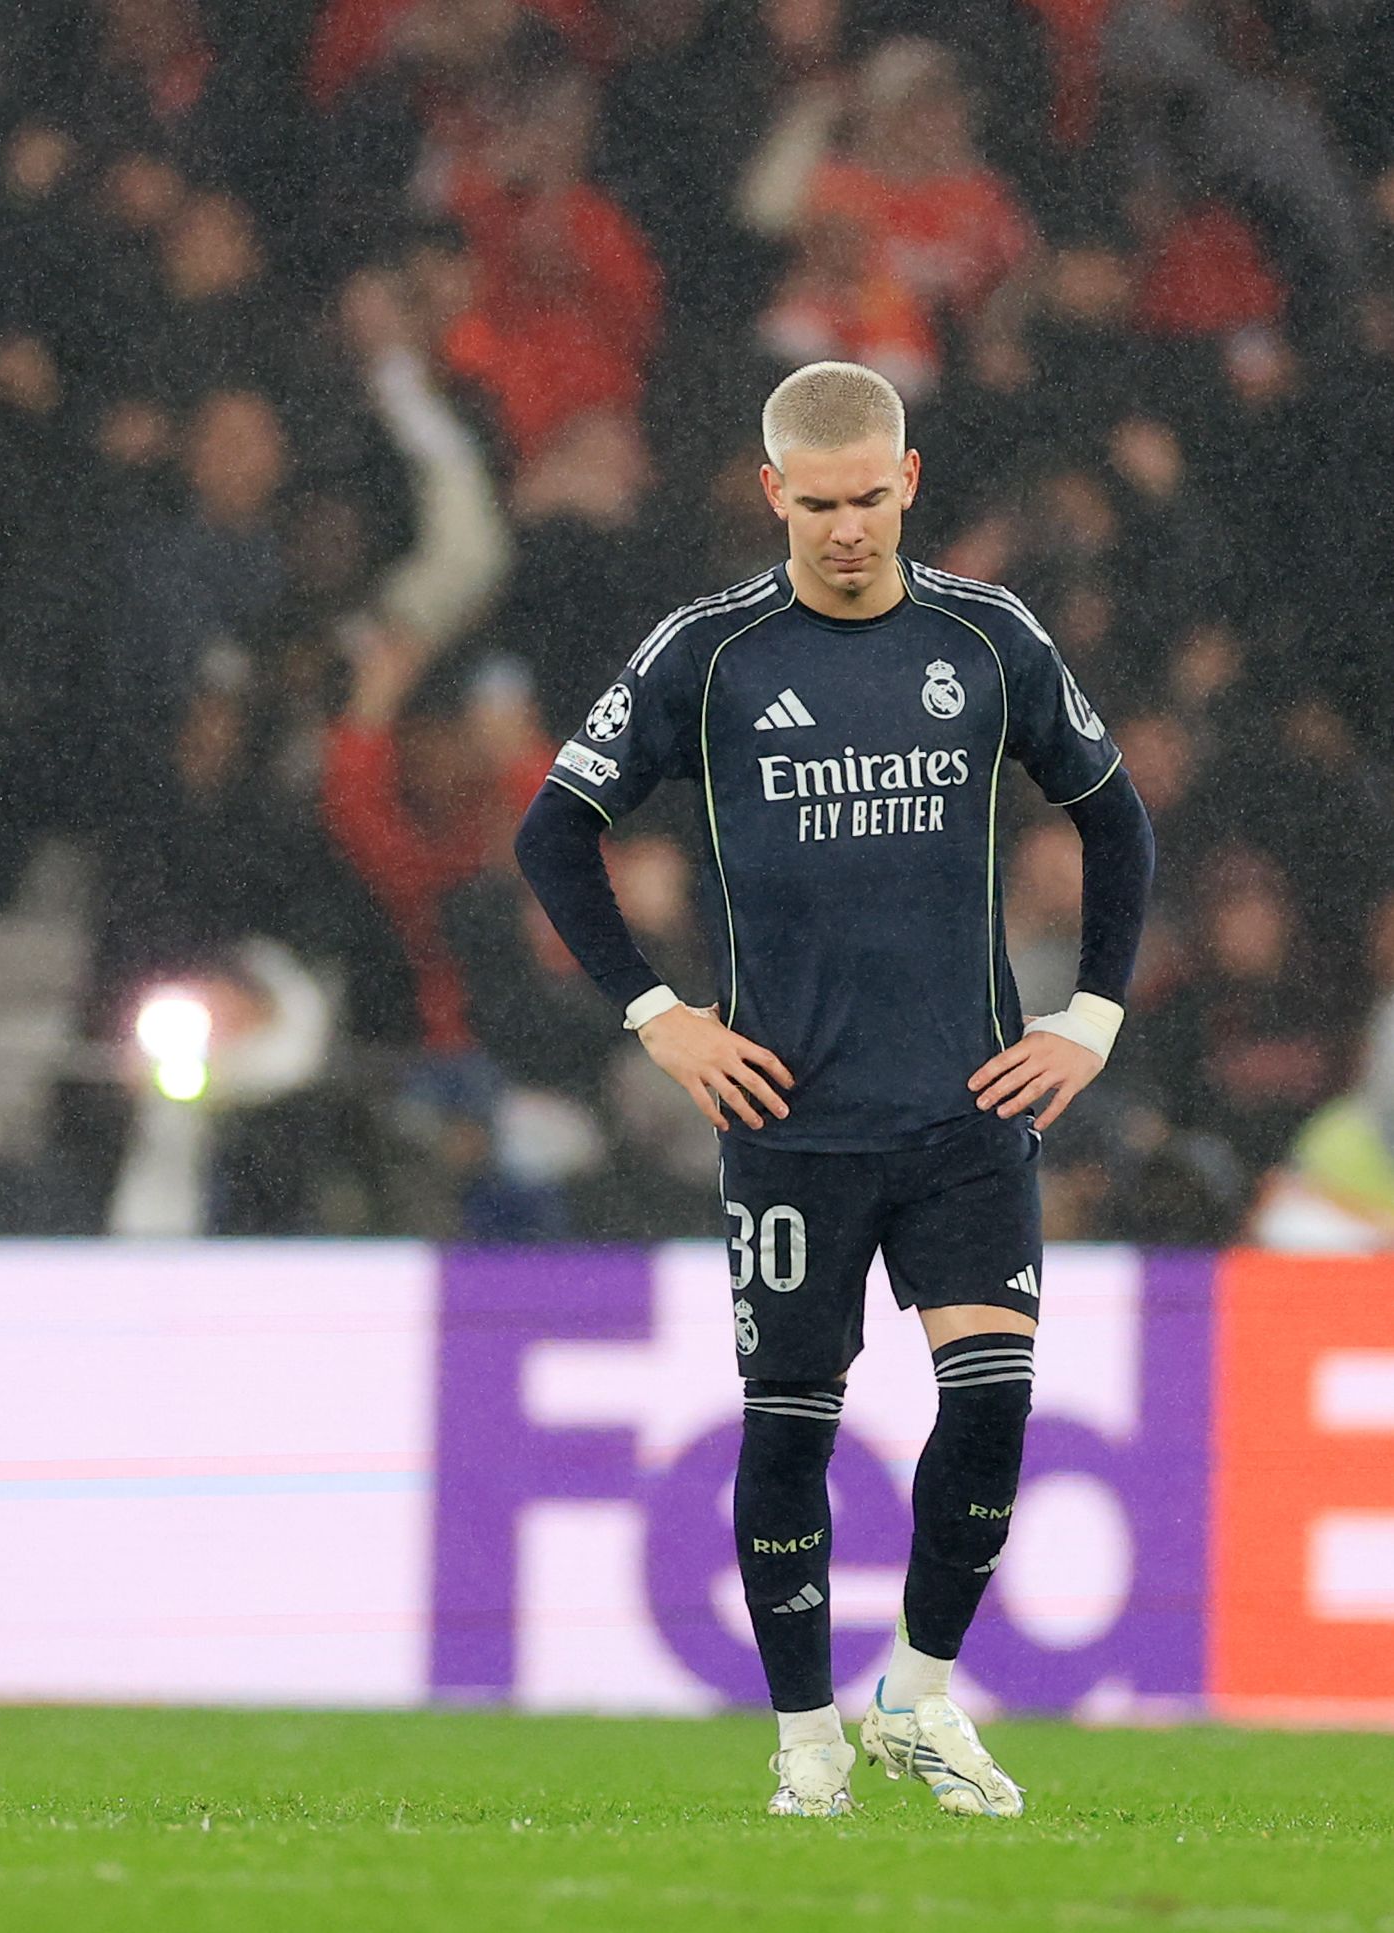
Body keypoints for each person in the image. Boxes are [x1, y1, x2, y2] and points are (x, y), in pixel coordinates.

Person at [511, 361, 1156, 1819]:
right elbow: (553, 833)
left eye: (870, 497)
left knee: (990, 1410)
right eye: (818, 504)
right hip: (787, 1124)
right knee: (788, 1428)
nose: (847, 527)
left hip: (965, 1113)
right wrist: (658, 1014)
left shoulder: (983, 640)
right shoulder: (709, 651)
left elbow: (1113, 818)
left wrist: (1092, 1018)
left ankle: (914, 1698)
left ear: (907, 481)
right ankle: (803, 1744)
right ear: (769, 495)